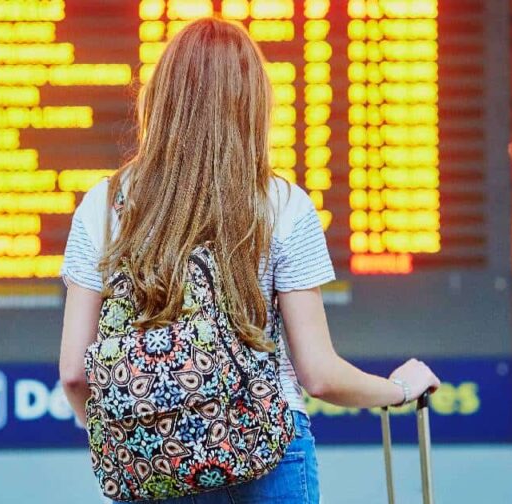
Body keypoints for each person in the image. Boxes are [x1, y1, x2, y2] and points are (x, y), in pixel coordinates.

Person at [59, 17, 441, 504]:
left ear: (159, 99)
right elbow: (319, 374)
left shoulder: (101, 204)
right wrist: (398, 390)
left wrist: (132, 434)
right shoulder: (282, 204)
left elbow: (74, 372)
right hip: (268, 455)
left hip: (151, 464)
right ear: (253, 104)